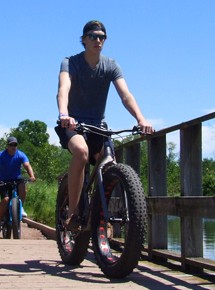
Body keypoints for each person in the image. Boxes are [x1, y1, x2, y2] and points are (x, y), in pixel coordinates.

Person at [55, 20, 156, 231]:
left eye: (102, 37)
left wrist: (141, 119)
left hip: (98, 126)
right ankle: (73, 213)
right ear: (83, 40)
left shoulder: (111, 65)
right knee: (81, 152)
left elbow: (125, 95)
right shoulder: (70, 62)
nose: (98, 40)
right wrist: (64, 114)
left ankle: (101, 217)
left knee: (109, 164)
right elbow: (63, 88)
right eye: (92, 36)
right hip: (73, 124)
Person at [0, 137, 36, 232]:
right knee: (6, 199)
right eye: (11, 145)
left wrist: (32, 176)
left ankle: (21, 207)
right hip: (4, 180)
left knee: (23, 185)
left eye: (15, 145)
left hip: (16, 178)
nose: (13, 147)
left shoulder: (20, 154)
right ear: (7, 146)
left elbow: (27, 165)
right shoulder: (1, 155)